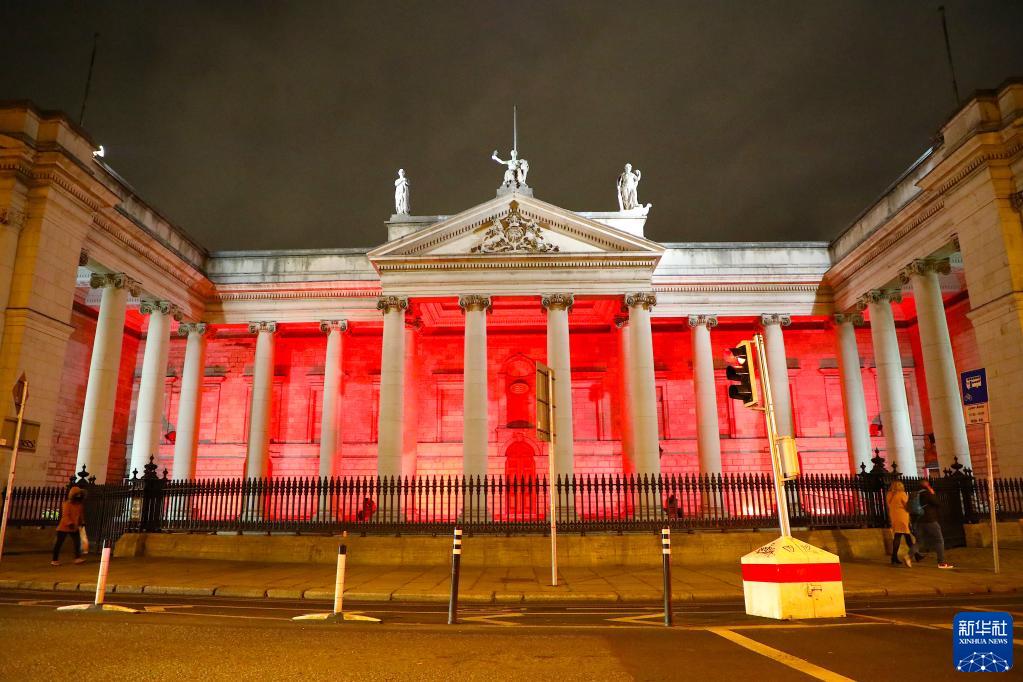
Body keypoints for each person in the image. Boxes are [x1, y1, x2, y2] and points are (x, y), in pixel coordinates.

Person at [916, 478, 955, 569]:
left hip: (920, 520)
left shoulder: (917, 494)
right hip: (930, 519)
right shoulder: (927, 493)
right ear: (926, 485)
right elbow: (937, 503)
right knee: (939, 540)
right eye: (928, 484)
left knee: (920, 541)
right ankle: (941, 563)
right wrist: (933, 493)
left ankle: (908, 556)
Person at [51, 487, 87, 566]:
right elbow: (65, 516)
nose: (79, 496)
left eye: (80, 494)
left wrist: (82, 522)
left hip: (74, 527)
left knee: (77, 542)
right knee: (58, 543)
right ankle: (54, 560)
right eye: (77, 494)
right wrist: (70, 523)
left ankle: (77, 558)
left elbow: (80, 515)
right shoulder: (67, 504)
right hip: (64, 527)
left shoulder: (79, 505)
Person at [885, 480, 916, 567]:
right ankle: (894, 557)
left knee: (901, 535)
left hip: (894, 516)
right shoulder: (902, 494)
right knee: (902, 535)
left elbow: (889, 505)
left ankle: (916, 554)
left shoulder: (889, 494)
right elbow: (907, 506)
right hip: (902, 516)